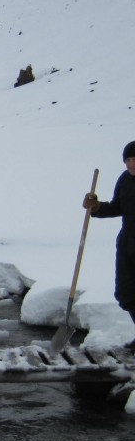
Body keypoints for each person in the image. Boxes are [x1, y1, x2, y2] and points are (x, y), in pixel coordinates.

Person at [83, 140, 135, 347]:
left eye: (134, 160)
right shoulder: (124, 180)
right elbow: (117, 207)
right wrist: (96, 207)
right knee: (126, 293)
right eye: (128, 160)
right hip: (127, 244)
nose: (131, 164)